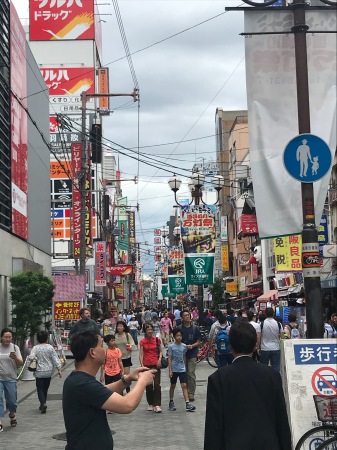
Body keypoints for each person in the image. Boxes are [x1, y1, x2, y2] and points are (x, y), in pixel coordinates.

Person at [204, 320, 292, 450]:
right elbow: (282, 421)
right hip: (268, 445)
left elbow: (213, 427)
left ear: (230, 346)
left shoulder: (218, 379)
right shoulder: (272, 375)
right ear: (255, 346)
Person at [63, 330, 155, 450]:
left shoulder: (78, 379)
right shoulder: (82, 384)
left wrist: (127, 379)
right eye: (101, 346)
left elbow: (101, 391)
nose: (105, 349)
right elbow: (127, 405)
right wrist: (142, 381)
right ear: (92, 353)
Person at [27, 330, 62, 413]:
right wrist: (59, 369)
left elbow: (31, 357)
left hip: (39, 371)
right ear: (47, 338)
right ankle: (43, 403)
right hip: (49, 371)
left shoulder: (35, 348)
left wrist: (34, 358)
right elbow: (55, 358)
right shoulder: (50, 347)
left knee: (40, 389)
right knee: (45, 388)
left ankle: (42, 403)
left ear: (38, 339)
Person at [0, 328, 23, 432]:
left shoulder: (15, 347)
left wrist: (15, 358)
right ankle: (0, 421)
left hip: (10, 378)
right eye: (5, 337)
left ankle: (12, 414)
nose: (8, 339)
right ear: (1, 337)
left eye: (9, 337)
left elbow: (21, 363)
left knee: (12, 401)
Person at [167, 328, 196, 412]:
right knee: (173, 385)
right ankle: (171, 401)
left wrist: (185, 367)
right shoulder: (171, 347)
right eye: (177, 336)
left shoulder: (184, 346)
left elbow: (184, 356)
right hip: (174, 369)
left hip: (182, 369)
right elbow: (169, 358)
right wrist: (170, 370)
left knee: (184, 385)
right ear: (174, 336)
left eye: (180, 335)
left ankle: (187, 403)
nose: (179, 337)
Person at [139, 323, 163, 413]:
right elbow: (141, 354)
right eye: (147, 329)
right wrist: (142, 365)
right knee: (149, 385)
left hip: (156, 364)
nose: (149, 331)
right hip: (146, 365)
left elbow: (161, 351)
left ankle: (157, 405)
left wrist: (159, 359)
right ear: (145, 331)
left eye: (151, 329)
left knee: (157, 385)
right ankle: (150, 403)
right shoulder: (142, 341)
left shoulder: (157, 340)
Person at [178, 309, 201, 402]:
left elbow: (199, 341)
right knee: (184, 373)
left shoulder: (195, 328)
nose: (187, 317)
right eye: (185, 315)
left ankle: (191, 393)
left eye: (188, 315)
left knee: (191, 373)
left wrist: (192, 346)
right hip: (182, 354)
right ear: (182, 317)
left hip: (192, 353)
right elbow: (176, 339)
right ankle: (186, 390)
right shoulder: (179, 328)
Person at [257, 307, 284, 372]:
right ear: (273, 314)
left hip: (264, 349)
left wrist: (258, 347)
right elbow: (282, 337)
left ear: (265, 314)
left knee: (263, 369)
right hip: (276, 348)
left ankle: (265, 381)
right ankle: (275, 381)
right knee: (276, 368)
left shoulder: (261, 324)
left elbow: (258, 337)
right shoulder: (278, 324)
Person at [114, 321, 135, 393]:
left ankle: (127, 388)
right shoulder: (114, 336)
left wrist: (130, 347)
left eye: (121, 326)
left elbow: (132, 344)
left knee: (126, 375)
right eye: (118, 326)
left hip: (126, 357)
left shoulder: (127, 335)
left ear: (124, 327)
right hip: (117, 358)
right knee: (119, 375)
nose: (119, 327)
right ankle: (120, 391)